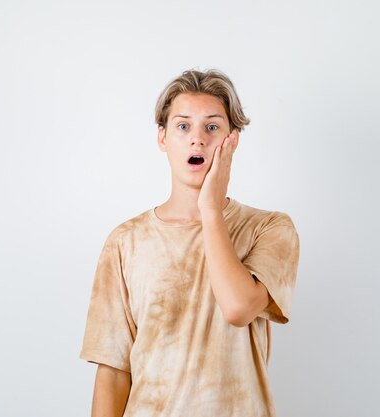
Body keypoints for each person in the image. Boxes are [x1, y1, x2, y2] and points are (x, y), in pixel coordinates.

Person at [79, 68, 301, 417]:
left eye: (212, 127)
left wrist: (210, 209)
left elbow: (239, 308)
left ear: (233, 139)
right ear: (162, 138)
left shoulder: (270, 228)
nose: (197, 138)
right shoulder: (126, 242)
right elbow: (113, 370)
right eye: (183, 126)